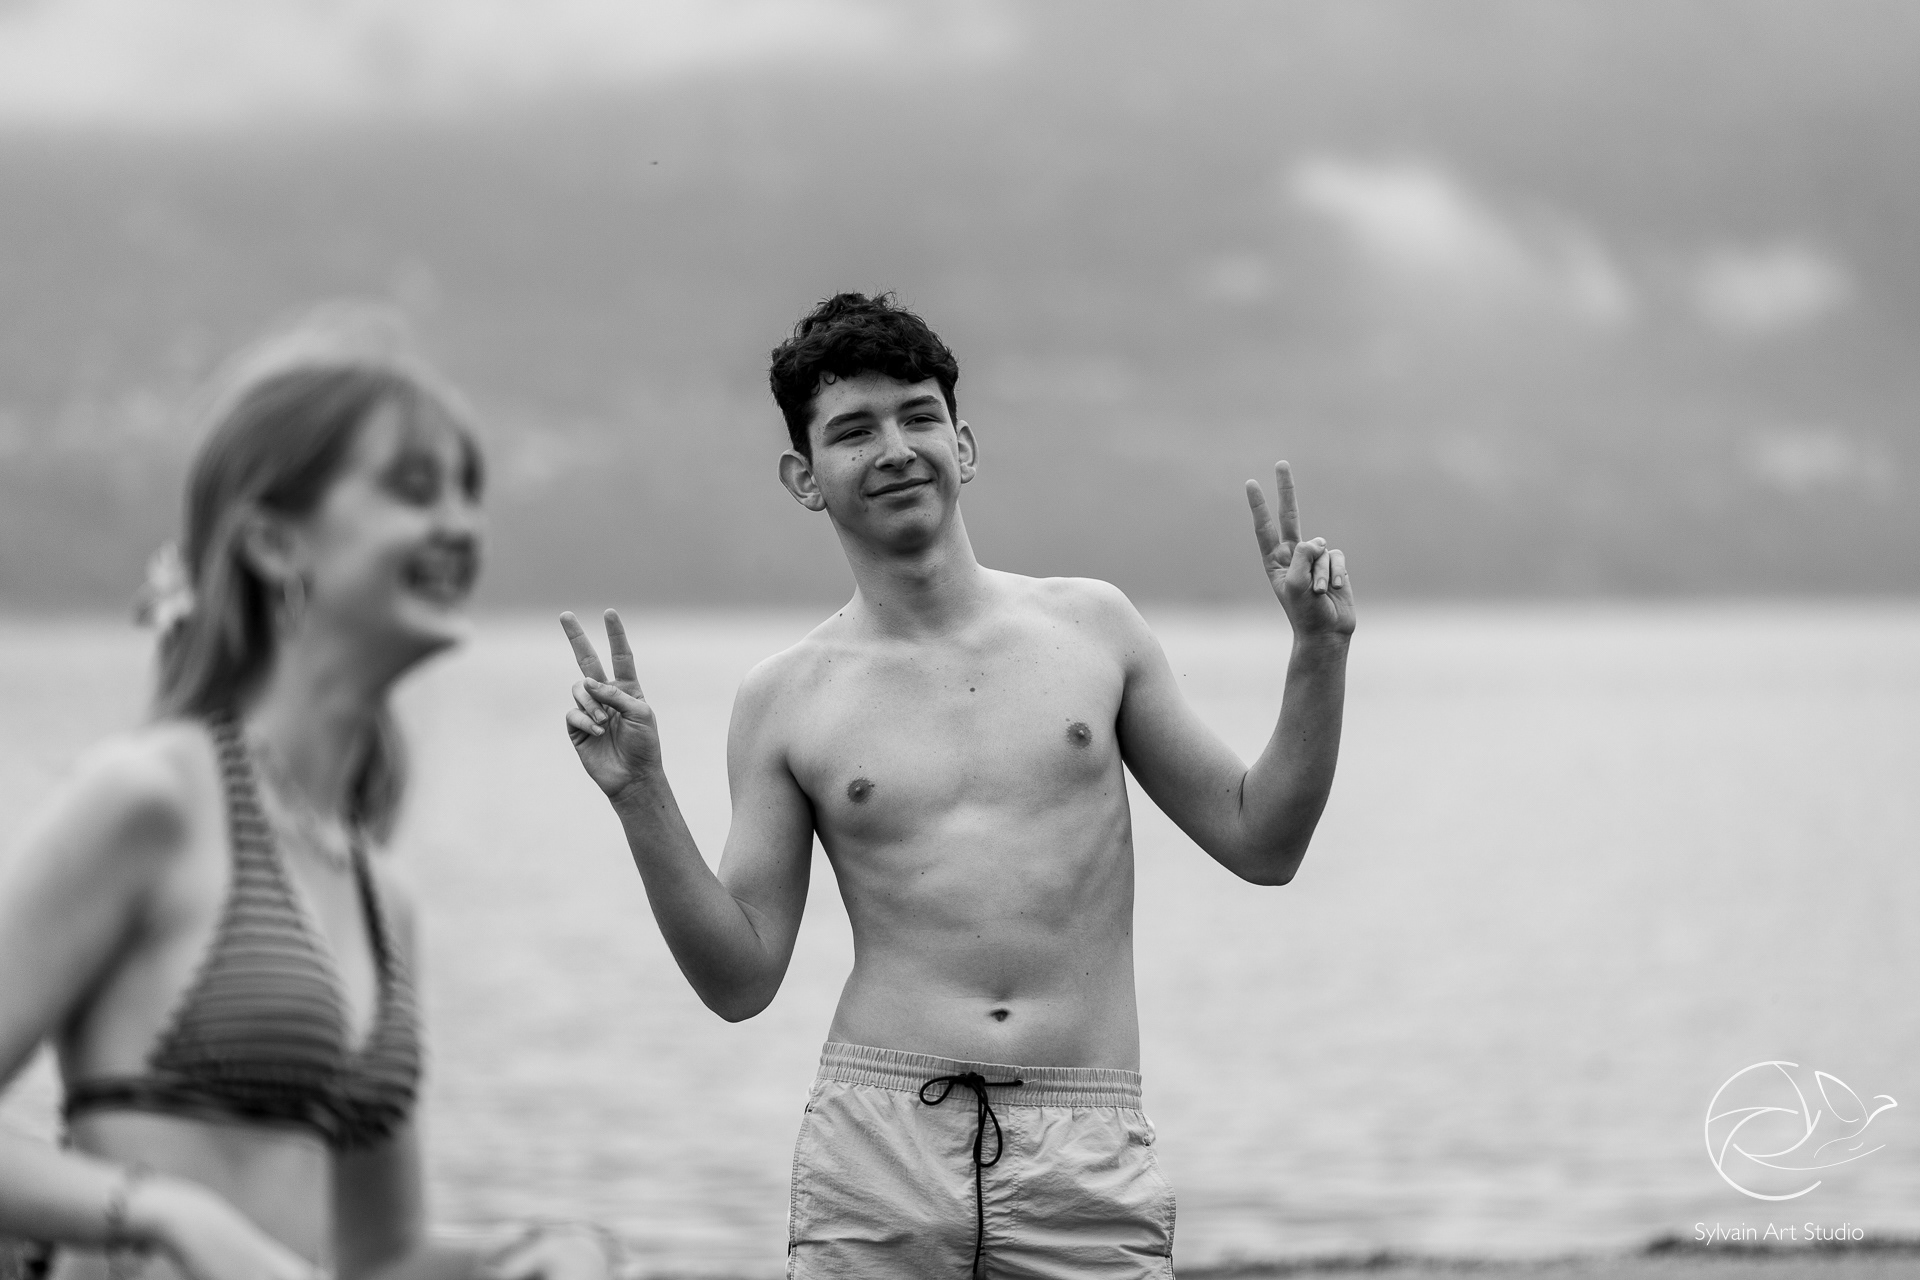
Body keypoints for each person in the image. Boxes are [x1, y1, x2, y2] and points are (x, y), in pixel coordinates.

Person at [559, 292, 1353, 1278]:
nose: (896, 449)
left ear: (963, 445)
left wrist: (1318, 652)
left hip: (1083, 1140)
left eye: (918, 417)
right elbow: (740, 979)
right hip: (879, 1144)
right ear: (804, 477)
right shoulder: (785, 697)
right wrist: (640, 793)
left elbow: (1262, 840)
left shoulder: (1093, 630)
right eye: (854, 430)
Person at [0, 324, 619, 1280]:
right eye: (414, 489)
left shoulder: (380, 892)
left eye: (469, 493)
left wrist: (524, 1255)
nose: (461, 526)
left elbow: (379, 1256)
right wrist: (163, 1215)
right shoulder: (149, 800)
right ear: (272, 538)